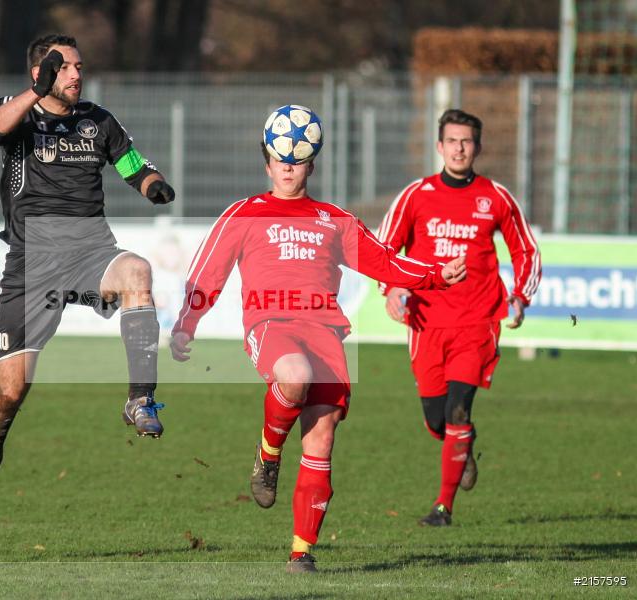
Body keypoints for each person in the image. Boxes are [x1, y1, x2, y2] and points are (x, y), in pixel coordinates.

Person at [169, 105, 467, 572]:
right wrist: (187, 322)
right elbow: (209, 271)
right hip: (272, 324)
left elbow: (386, 262)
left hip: (324, 329)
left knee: (322, 437)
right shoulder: (246, 213)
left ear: (311, 163)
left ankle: (301, 553)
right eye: (280, 159)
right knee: (294, 374)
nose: (288, 167)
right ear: (267, 163)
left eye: (297, 159)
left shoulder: (334, 219)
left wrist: (435, 274)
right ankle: (268, 453)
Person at [0, 34, 176, 518]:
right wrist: (36, 89)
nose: (77, 74)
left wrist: (152, 184)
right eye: (66, 67)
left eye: (79, 66)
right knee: (10, 392)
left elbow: (132, 163)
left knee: (137, 271)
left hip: (89, 252)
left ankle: (141, 400)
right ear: (42, 73)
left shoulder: (97, 120)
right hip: (31, 265)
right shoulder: (19, 115)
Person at [376, 109, 541, 527]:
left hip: (477, 322)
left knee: (458, 410)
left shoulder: (496, 197)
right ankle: (461, 445)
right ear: (439, 146)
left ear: (478, 147)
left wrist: (520, 296)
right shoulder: (416, 195)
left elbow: (526, 250)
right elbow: (384, 251)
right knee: (437, 419)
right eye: (452, 141)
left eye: (467, 141)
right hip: (427, 323)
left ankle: (442, 508)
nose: (460, 148)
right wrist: (394, 288)